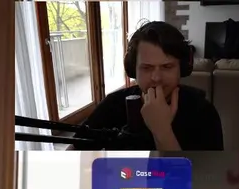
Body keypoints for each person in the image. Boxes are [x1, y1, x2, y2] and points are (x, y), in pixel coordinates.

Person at [80, 20, 224, 151]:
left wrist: (162, 130)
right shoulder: (112, 104)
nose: (156, 78)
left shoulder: (203, 112)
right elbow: (75, 152)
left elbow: (207, 172)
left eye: (167, 67)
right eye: (147, 68)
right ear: (133, 69)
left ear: (182, 68)